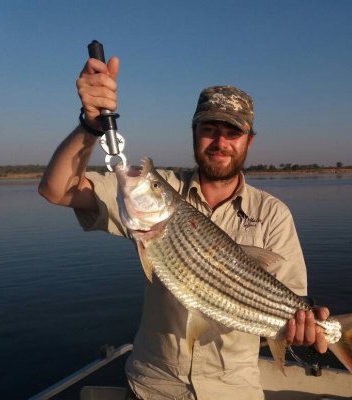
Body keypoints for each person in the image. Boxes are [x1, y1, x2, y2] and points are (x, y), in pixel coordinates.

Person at [39, 56, 330, 400]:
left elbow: (293, 300)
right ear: (194, 133)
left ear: (249, 141)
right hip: (153, 387)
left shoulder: (273, 214)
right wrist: (90, 126)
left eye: (232, 132)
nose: (220, 142)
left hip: (233, 392)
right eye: (209, 129)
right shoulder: (159, 193)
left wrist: (306, 328)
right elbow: (57, 190)